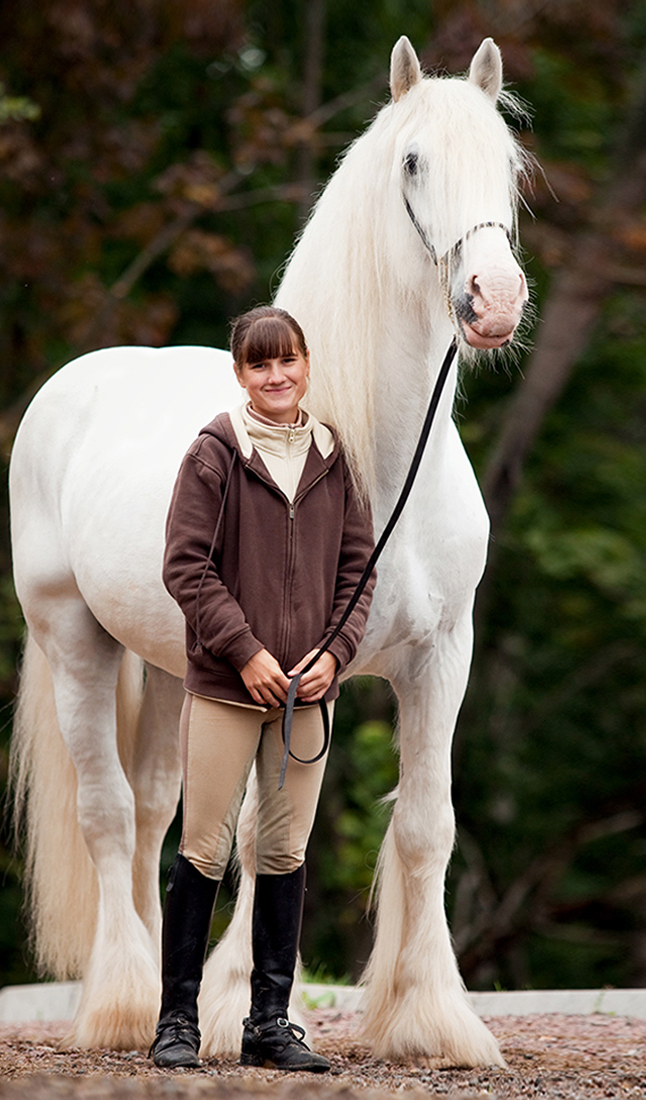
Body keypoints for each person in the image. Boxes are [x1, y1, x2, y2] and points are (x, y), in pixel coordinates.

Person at [151, 305, 375, 1071]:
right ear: (240, 373)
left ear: (306, 364)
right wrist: (244, 651)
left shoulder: (334, 456)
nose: (276, 376)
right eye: (259, 364)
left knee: (285, 852)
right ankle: (176, 1019)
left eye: (287, 362)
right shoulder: (216, 453)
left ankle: (269, 1023)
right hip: (224, 689)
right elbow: (186, 566)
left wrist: (337, 654)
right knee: (205, 849)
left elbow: (357, 572)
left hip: (306, 697)